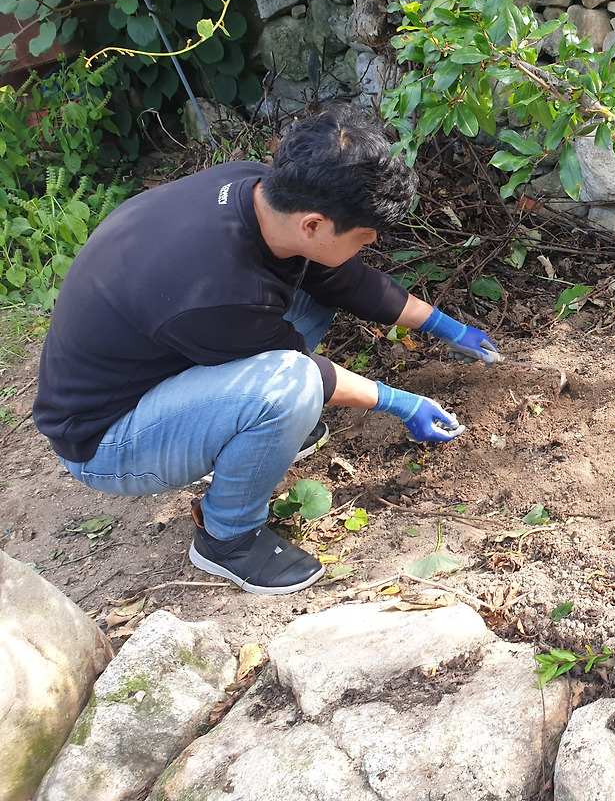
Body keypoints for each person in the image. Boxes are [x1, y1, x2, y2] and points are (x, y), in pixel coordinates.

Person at [33, 106, 501, 595]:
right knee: (291, 386)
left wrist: (447, 327)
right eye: (366, 234)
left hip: (165, 363)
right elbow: (303, 371)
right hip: (108, 440)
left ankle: (260, 429)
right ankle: (227, 537)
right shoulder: (220, 290)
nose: (373, 241)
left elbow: (345, 281)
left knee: (308, 302)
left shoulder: (261, 189)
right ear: (313, 225)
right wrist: (401, 403)